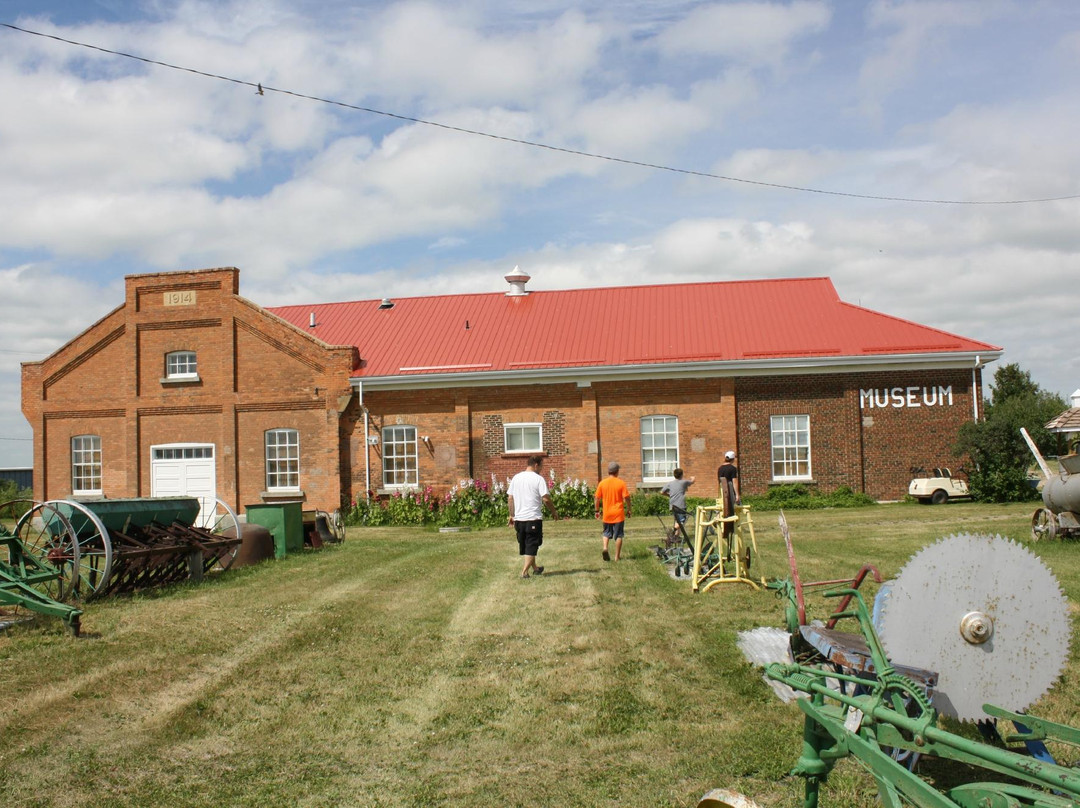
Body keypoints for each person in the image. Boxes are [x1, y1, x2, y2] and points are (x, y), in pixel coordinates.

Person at [507, 455, 559, 578]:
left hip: (519, 519)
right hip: (533, 519)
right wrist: (554, 512)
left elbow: (510, 498)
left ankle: (535, 568)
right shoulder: (538, 479)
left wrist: (511, 515)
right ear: (536, 465)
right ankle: (524, 572)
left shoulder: (516, 478)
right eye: (541, 466)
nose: (541, 468)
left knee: (528, 544)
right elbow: (546, 499)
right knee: (532, 545)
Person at [594, 461, 631, 562]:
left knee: (606, 533)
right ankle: (617, 557)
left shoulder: (602, 483)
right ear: (617, 471)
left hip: (607, 514)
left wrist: (597, 510)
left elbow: (597, 498)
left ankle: (605, 548)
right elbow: (627, 497)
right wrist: (629, 509)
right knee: (619, 535)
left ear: (608, 471)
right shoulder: (621, 483)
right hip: (618, 513)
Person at [660, 468, 695, 539]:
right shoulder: (684, 482)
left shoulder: (670, 483)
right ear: (682, 475)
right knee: (681, 521)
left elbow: (662, 492)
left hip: (673, 505)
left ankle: (676, 536)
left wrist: (669, 495)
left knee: (677, 520)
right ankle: (674, 529)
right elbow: (692, 482)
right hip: (681, 505)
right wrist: (693, 478)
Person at [717, 450, 740, 538]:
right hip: (729, 493)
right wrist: (737, 495)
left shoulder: (720, 468)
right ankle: (735, 525)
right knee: (737, 507)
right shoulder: (732, 469)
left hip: (722, 493)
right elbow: (734, 482)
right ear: (733, 459)